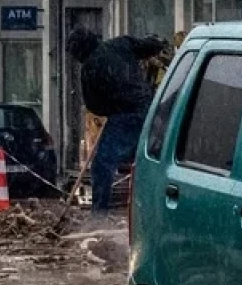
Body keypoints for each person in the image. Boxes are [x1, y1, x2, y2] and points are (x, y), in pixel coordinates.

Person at [67, 29, 172, 215]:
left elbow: (94, 106)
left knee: (102, 165)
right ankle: (155, 209)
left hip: (125, 116)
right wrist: (158, 43)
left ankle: (99, 214)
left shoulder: (89, 68)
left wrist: (111, 109)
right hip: (151, 110)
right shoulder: (121, 44)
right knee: (153, 160)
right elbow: (148, 46)